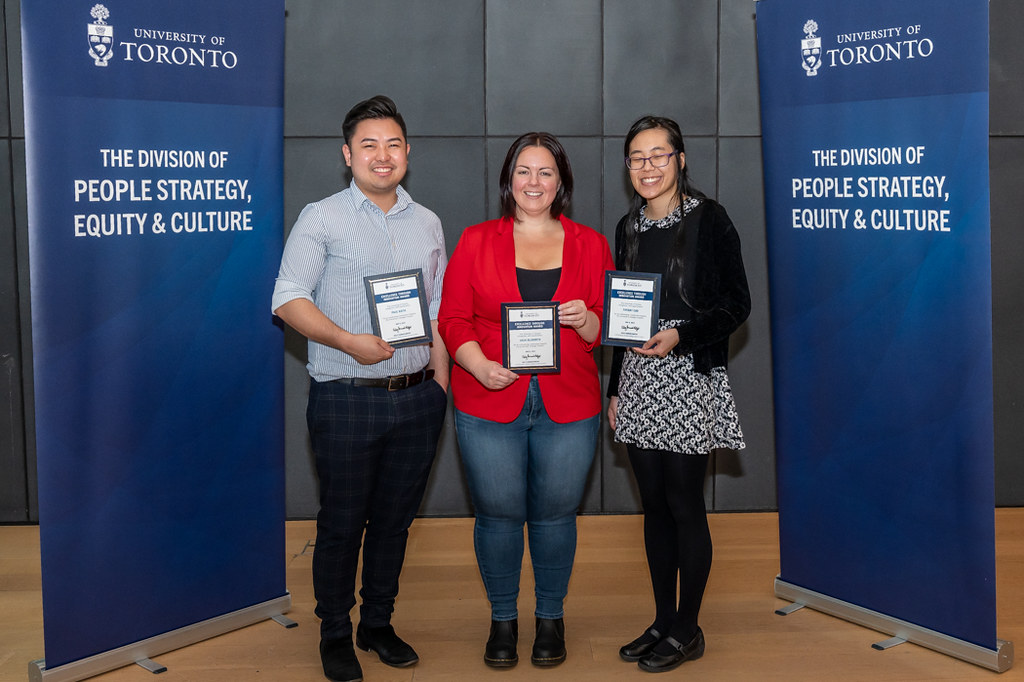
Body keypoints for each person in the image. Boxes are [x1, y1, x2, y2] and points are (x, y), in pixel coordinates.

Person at [271, 95, 449, 682]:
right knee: (342, 524)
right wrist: (349, 340)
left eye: (393, 144)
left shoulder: (428, 223)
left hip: (417, 397)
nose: (382, 155)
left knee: (395, 522)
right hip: (347, 395)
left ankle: (378, 623)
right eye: (368, 144)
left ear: (408, 153)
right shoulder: (320, 217)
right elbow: (287, 299)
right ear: (348, 155)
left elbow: (438, 311)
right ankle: (335, 631)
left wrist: (438, 386)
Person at [438, 132, 614, 669]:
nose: (533, 182)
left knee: (557, 515)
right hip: (488, 399)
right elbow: (451, 319)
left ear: (561, 183)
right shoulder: (474, 240)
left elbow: (609, 324)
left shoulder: (591, 242)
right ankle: (502, 620)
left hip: (570, 404)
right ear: (507, 180)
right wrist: (477, 365)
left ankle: (551, 618)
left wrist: (588, 321)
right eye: (523, 171)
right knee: (497, 515)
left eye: (545, 173)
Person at [607, 116, 750, 673]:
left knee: (686, 504)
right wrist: (616, 387)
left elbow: (737, 305)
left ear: (681, 159)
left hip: (688, 376)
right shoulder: (629, 227)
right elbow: (624, 313)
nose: (647, 167)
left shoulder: (711, 220)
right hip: (640, 382)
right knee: (654, 507)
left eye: (658, 155)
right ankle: (662, 619)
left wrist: (683, 335)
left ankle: (689, 628)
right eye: (637, 158)